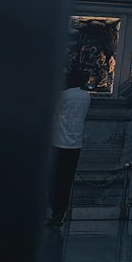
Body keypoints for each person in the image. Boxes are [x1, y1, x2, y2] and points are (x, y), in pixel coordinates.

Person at [46, 69, 91, 228]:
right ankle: (61, 211)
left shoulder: (63, 96)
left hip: (58, 141)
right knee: (66, 180)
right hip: (75, 143)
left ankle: (54, 210)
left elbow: (54, 115)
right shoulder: (86, 97)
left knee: (54, 178)